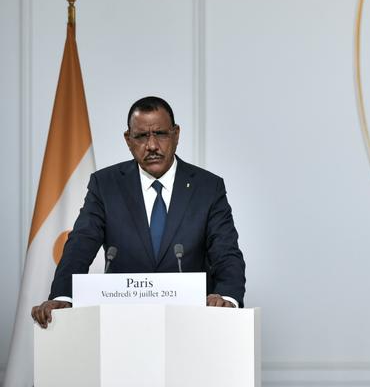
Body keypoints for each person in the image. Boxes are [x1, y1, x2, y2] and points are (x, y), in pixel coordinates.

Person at [31, 96, 246, 328]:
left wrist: (226, 296)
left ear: (176, 134)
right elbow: (80, 246)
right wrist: (63, 297)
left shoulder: (208, 187)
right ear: (128, 139)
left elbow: (226, 251)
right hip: (121, 323)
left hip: (192, 323)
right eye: (142, 136)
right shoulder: (106, 185)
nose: (152, 145)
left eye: (161, 134)